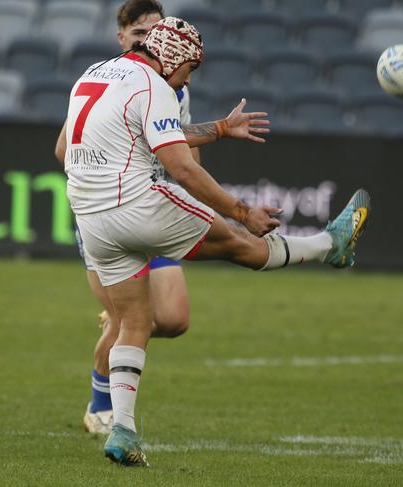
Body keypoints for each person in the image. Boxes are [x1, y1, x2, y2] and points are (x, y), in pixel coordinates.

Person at [63, 16, 370, 467]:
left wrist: (221, 128)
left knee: (134, 321)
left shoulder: (94, 74)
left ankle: (123, 432)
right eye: (189, 68)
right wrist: (242, 211)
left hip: (91, 219)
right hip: (135, 202)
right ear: (171, 58)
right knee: (242, 245)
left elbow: (150, 129)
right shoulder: (155, 86)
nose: (189, 77)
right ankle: (330, 246)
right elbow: (182, 167)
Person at [54, 0, 271, 435]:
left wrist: (214, 139)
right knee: (130, 320)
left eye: (157, 31)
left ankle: (116, 411)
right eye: (140, 33)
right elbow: (64, 150)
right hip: (110, 208)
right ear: (124, 39)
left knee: (172, 320)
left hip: (155, 205)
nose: (150, 39)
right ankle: (100, 410)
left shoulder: (175, 88)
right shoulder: (116, 79)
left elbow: (180, 150)